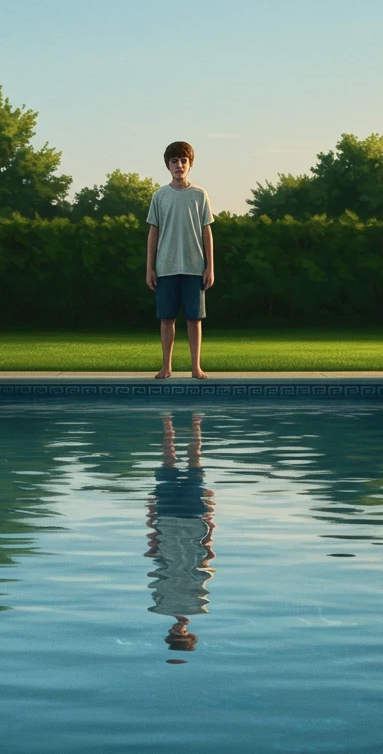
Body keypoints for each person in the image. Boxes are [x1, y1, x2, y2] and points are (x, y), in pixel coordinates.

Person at [145, 413, 216, 659]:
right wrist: (210, 515)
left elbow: (157, 561)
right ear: (189, 633)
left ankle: (167, 424)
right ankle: (195, 424)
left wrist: (151, 516)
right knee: (195, 461)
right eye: (183, 634)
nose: (179, 629)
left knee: (168, 462)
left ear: (171, 632)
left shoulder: (160, 604)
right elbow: (206, 558)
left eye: (176, 634)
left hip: (168, 520)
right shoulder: (199, 605)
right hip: (193, 519)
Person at [145, 141, 215, 379]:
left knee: (195, 320)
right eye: (174, 161)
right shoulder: (159, 196)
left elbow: (207, 231)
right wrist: (150, 268)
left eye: (183, 161)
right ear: (168, 164)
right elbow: (153, 233)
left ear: (190, 164)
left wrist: (210, 267)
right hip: (165, 267)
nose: (179, 165)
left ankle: (196, 367)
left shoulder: (199, 195)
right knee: (167, 319)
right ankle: (167, 366)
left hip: (195, 267)